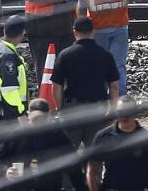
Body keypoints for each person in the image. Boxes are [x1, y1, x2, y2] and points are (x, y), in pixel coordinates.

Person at [77, 0, 142, 96]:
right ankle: (102, 98)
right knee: (99, 65)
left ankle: (119, 98)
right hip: (98, 30)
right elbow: (81, 6)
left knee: (117, 64)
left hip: (119, 28)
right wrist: (80, 31)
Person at [51, 16, 119, 148]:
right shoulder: (105, 55)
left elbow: (56, 85)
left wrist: (60, 109)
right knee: (95, 156)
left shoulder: (65, 55)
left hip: (72, 110)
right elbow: (114, 86)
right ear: (93, 32)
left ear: (74, 31)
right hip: (98, 110)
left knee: (69, 155)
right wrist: (113, 111)